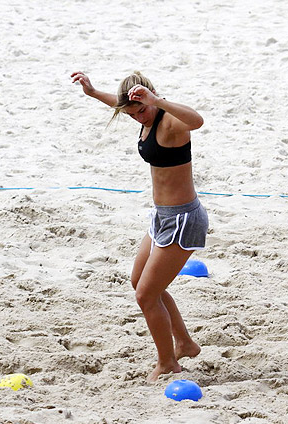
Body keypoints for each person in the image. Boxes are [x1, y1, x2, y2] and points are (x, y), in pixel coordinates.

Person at [71, 71, 208, 382]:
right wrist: (93, 92)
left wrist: (156, 101)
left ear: (152, 97)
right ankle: (185, 343)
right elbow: (120, 104)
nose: (137, 117)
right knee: (140, 283)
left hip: (183, 219)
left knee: (146, 296)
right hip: (161, 216)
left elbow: (198, 121)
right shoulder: (143, 117)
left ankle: (168, 363)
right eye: (131, 113)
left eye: (141, 110)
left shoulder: (170, 122)